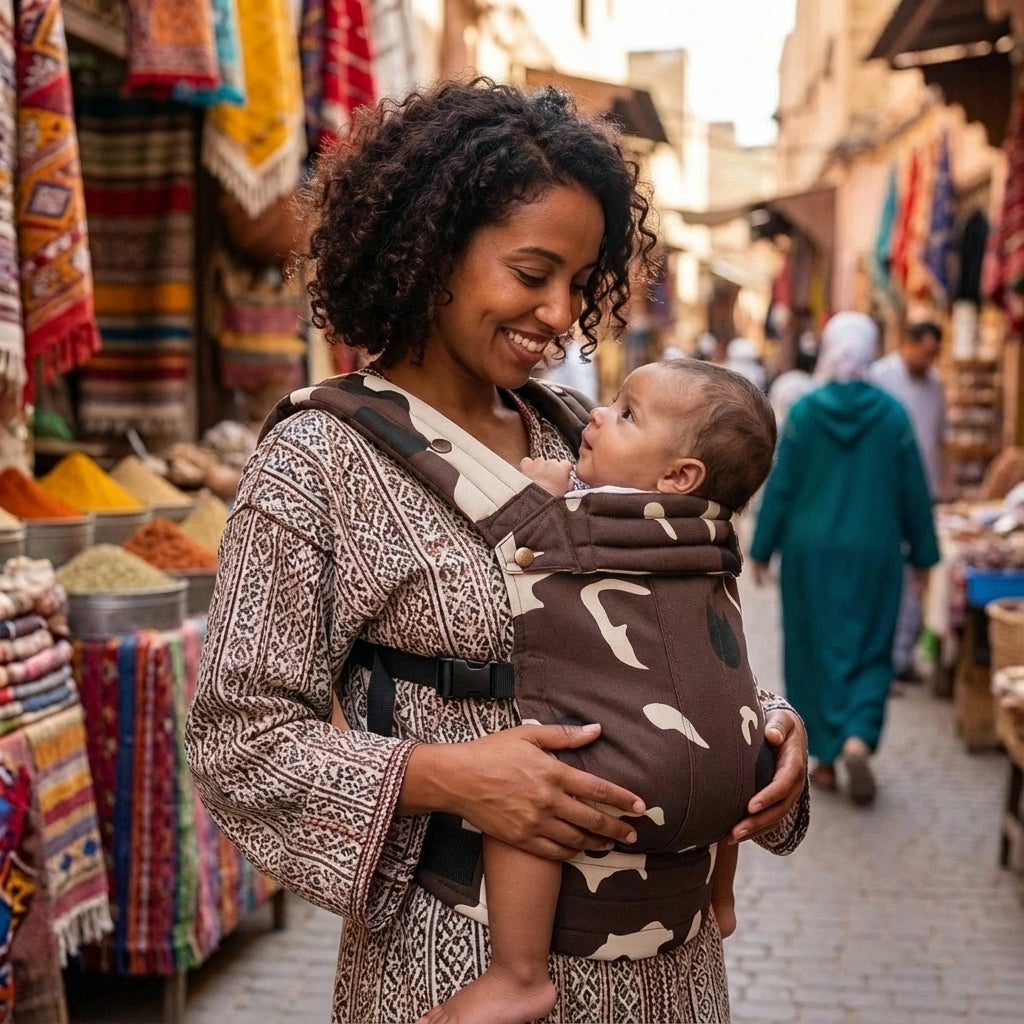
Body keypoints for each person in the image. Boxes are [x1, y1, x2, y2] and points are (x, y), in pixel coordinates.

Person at [185, 77, 810, 1024]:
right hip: (450, 967)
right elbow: (237, 739)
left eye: (578, 281)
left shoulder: (587, 442)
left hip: (666, 975)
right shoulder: (318, 459)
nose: (562, 314)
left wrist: (766, 731)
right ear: (430, 251)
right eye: (531, 274)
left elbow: (680, 632)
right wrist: (450, 777)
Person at [420, 357, 780, 1024]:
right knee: (721, 800)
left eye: (626, 414)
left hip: (630, 767)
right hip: (736, 757)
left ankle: (518, 974)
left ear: (677, 476)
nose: (597, 415)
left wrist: (542, 489)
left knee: (529, 804)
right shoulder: (708, 530)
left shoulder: (591, 512)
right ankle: (719, 901)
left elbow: (538, 537)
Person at [749, 311, 940, 805]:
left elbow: (782, 484)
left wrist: (762, 548)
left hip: (809, 553)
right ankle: (857, 735)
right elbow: (914, 492)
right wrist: (924, 555)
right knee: (871, 646)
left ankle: (827, 759)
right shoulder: (893, 415)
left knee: (813, 648)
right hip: (875, 551)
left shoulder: (808, 413)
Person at [868, 319, 947, 683]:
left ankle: (902, 657)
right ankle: (881, 658)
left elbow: (937, 440)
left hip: (923, 493)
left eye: (935, 355)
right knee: (885, 576)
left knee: (918, 578)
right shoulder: (880, 377)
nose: (929, 361)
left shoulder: (936, 386)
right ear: (909, 344)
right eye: (925, 352)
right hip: (884, 493)